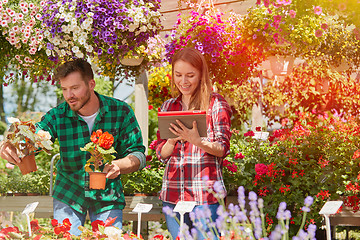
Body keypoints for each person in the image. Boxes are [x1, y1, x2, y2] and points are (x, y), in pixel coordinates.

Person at [0, 59, 146, 236]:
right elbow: (35, 136)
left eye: (75, 88)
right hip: (69, 195)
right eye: (64, 89)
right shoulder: (57, 115)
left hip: (107, 196)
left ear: (91, 84)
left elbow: (138, 153)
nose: (69, 95)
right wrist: (11, 144)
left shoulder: (121, 111)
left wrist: (118, 165)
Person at [155, 47, 232, 239]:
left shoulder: (215, 104)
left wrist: (197, 141)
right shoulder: (168, 106)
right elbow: (161, 153)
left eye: (190, 75)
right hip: (173, 195)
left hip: (204, 196)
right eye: (178, 75)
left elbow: (222, 148)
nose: (183, 81)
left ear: (201, 75)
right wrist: (171, 141)